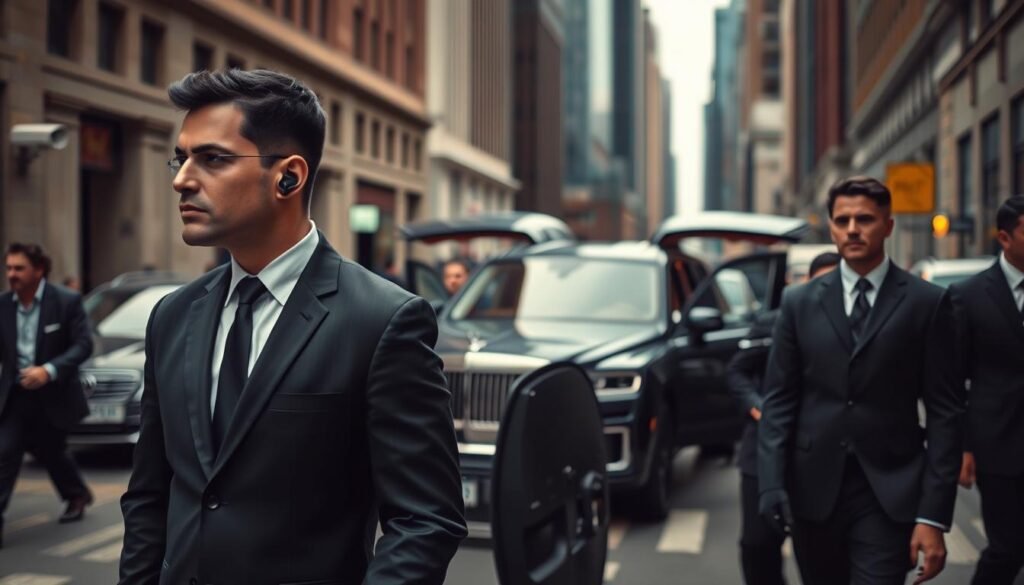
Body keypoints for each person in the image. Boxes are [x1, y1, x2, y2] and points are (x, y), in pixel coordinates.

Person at [118, 69, 466, 584]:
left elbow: (425, 520)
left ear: (289, 176)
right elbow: (150, 493)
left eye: (212, 158)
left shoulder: (383, 320)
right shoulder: (172, 316)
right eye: (181, 157)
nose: (182, 178)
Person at [758, 176, 963, 585]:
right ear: (831, 228)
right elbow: (779, 400)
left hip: (891, 492)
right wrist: (771, 484)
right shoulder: (799, 303)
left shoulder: (928, 303)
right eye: (842, 220)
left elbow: (945, 412)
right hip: (813, 491)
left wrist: (933, 515)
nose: (852, 229)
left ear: (888, 226)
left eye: (865, 219)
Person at [726, 251, 840, 585]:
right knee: (758, 543)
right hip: (762, 449)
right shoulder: (775, 320)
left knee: (816, 551)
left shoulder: (854, 328)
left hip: (816, 455)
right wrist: (756, 406)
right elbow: (737, 371)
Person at [949, 195, 1024, 585]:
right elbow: (951, 380)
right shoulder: (969, 295)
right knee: (1008, 547)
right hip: (999, 445)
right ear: (1004, 238)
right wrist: (962, 447)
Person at [0, 243, 94, 548]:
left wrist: (49, 370)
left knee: (51, 450)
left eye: (19, 268)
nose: (11, 274)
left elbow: (83, 345)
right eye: (9, 267)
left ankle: (76, 494)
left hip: (52, 393)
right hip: (14, 395)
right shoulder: (3, 305)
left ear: (38, 270)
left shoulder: (65, 302)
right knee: (5, 452)